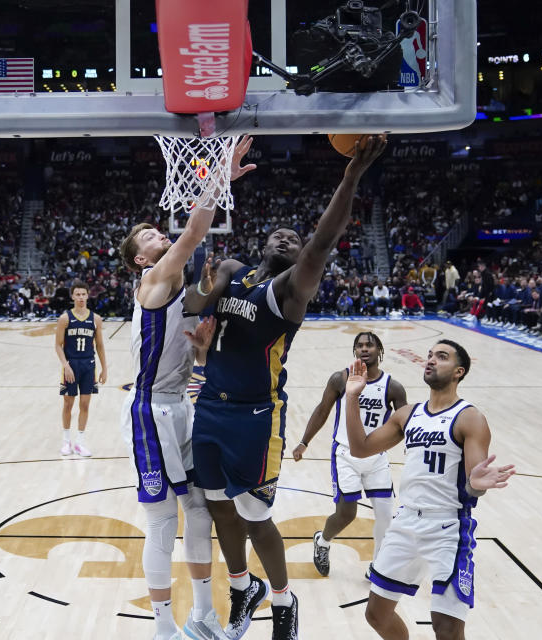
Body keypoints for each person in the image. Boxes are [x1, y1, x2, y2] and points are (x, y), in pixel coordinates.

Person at [189, 135, 389, 640]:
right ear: (261, 245)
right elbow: (193, 305)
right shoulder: (233, 272)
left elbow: (323, 240)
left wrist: (350, 178)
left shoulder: (291, 291)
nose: (286, 238)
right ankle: (242, 590)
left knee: (256, 520)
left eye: (294, 239)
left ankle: (283, 602)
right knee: (217, 510)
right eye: (278, 235)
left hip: (258, 418)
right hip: (210, 405)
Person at [117, 134, 256, 640]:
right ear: (140, 260)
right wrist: (218, 176)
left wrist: (201, 352)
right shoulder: (154, 279)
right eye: (151, 235)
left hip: (181, 405)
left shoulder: (178, 284)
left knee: (199, 508)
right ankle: (162, 626)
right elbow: (195, 232)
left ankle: (204, 615)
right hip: (150, 412)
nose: (160, 234)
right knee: (161, 523)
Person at [343, 340, 515, 639]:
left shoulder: (469, 417)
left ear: (459, 372)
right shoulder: (407, 414)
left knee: (446, 628)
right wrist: (351, 398)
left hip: (447, 525)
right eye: (430, 355)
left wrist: (476, 483)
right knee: (376, 614)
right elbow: (360, 448)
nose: (432, 360)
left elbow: (476, 481)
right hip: (405, 521)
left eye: (442, 357)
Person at [292, 331, 407, 577]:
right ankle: (322, 540)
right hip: (345, 455)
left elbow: (404, 423)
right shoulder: (340, 379)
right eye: (359, 346)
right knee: (347, 513)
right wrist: (304, 442)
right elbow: (322, 410)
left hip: (377, 457)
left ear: (380, 350)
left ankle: (377, 568)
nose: (364, 349)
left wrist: (410, 448)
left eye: (370, 345)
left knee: (386, 516)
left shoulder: (393, 387)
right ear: (354, 351)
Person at [54, 280, 108, 457]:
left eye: (83, 294)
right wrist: (65, 365)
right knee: (68, 403)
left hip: (88, 365)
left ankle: (80, 442)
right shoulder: (65, 318)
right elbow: (58, 345)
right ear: (72, 296)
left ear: (88, 295)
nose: (81, 297)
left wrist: (104, 368)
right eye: (77, 294)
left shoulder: (96, 319)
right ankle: (66, 441)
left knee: (85, 404)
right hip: (71, 365)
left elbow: (99, 345)